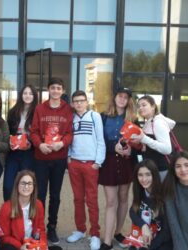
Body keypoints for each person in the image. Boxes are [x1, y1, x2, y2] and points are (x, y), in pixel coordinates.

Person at [29, 77, 73, 244]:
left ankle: (52, 226)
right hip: (41, 158)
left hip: (59, 158)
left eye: (59, 88)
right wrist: (40, 145)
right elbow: (33, 132)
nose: (56, 90)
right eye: (53, 87)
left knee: (55, 195)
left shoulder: (68, 109)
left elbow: (70, 133)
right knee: (39, 195)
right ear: (49, 90)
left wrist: (62, 143)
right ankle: (38, 227)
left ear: (62, 91)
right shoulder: (40, 108)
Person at [66, 90, 105, 250]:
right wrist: (68, 158)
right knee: (77, 198)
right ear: (73, 104)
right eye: (75, 101)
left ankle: (94, 233)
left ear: (86, 102)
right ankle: (80, 229)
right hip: (74, 162)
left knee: (92, 199)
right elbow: (68, 139)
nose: (79, 104)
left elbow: (100, 139)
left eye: (81, 101)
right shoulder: (71, 118)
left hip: (91, 164)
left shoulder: (94, 116)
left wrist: (98, 162)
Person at [99, 87, 137, 250]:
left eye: (125, 97)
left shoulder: (133, 119)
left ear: (129, 100)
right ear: (114, 98)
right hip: (109, 162)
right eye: (120, 96)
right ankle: (107, 240)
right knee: (111, 202)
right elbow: (99, 140)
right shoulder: (103, 117)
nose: (122, 99)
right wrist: (112, 147)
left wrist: (131, 150)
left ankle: (118, 232)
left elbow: (138, 142)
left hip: (126, 162)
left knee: (123, 198)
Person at [123, 159, 172, 250]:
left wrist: (149, 246)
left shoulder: (164, 195)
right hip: (146, 237)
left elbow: (167, 231)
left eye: (148, 174)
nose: (144, 179)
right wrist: (143, 226)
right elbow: (132, 211)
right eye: (140, 175)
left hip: (163, 241)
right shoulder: (140, 191)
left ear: (154, 175)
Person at [3, 85, 38, 200]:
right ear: (21, 95)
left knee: (26, 186)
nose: (27, 96)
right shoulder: (13, 112)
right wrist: (10, 141)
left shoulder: (38, 112)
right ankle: (9, 211)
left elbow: (39, 132)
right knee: (8, 185)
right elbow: (7, 132)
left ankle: (25, 213)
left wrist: (30, 143)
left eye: (30, 93)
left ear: (34, 96)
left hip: (29, 153)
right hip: (13, 152)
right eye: (25, 93)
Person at [0, 170, 48, 250]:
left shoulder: (38, 204)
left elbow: (41, 230)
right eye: (23, 183)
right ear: (17, 185)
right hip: (16, 245)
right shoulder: (6, 207)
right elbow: (4, 236)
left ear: (34, 186)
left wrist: (42, 245)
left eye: (29, 183)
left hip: (33, 245)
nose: (26, 186)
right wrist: (21, 247)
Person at [132, 95, 175, 180]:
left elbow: (167, 149)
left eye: (144, 105)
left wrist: (144, 139)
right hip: (152, 169)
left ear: (153, 106)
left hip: (160, 170)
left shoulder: (158, 122)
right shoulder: (149, 122)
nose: (140, 108)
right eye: (139, 106)